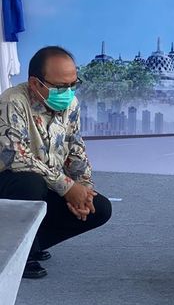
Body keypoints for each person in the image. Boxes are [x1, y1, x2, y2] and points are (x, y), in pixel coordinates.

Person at [0, 46, 112, 279]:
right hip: (10, 183)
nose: (68, 92)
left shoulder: (71, 104)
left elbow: (75, 148)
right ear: (35, 83)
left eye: (73, 84)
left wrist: (84, 189)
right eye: (61, 87)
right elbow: (14, 156)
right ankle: (20, 256)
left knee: (99, 209)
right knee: (30, 183)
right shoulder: (12, 102)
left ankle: (32, 243)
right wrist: (67, 187)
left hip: (49, 183)